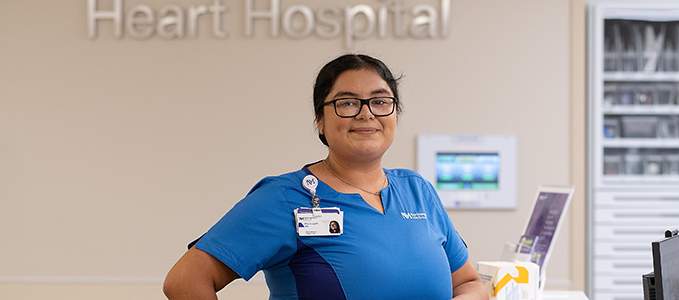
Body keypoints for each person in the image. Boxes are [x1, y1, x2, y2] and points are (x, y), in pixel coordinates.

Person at [163, 54, 488, 300]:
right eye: (347, 103)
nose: (366, 113)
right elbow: (185, 281)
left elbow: (469, 283)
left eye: (380, 101)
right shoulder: (284, 198)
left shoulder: (417, 191)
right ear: (320, 120)